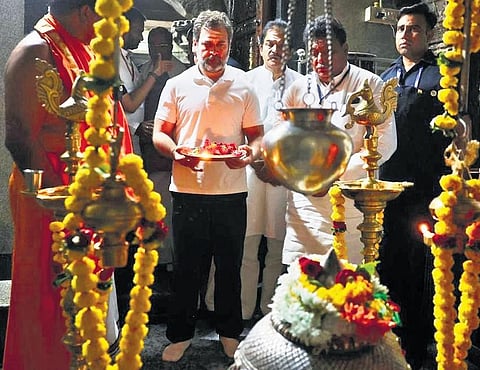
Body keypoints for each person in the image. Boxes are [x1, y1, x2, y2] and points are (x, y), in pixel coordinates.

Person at [3, 0, 133, 369]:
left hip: (91, 196)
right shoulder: (35, 51)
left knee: (93, 294)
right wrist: (66, 200)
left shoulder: (84, 46)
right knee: (53, 294)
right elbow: (19, 138)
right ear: (86, 12)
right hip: (52, 199)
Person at [152, 10, 263, 362]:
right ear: (194, 45)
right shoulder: (176, 84)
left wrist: (247, 154)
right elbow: (160, 135)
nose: (214, 51)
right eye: (207, 44)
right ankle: (180, 334)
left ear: (229, 46)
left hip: (231, 191)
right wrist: (177, 153)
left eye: (221, 44)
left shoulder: (244, 84)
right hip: (187, 190)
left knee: (229, 268)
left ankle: (229, 333)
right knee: (187, 268)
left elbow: (256, 138)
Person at [281, 16, 397, 266]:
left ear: (345, 49)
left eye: (328, 52)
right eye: (314, 53)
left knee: (347, 284)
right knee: (300, 284)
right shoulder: (298, 88)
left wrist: (333, 175)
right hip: (305, 205)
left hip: (349, 204)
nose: (320, 60)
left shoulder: (368, 84)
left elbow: (385, 142)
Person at [378, 3, 451, 369]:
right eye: (402, 29)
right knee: (386, 264)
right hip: (387, 189)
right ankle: (385, 340)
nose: (406, 35)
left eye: (415, 29)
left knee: (419, 268)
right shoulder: (385, 79)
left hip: (424, 191)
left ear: (429, 35)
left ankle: (416, 346)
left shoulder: (441, 79)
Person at [240, 19, 302, 321]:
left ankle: (269, 313)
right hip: (251, 171)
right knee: (248, 242)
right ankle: (241, 310)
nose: (276, 50)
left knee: (278, 244)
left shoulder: (301, 84)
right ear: (260, 46)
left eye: (282, 44)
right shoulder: (246, 81)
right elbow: (238, 129)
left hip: (284, 175)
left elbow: (303, 134)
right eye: (270, 44)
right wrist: (256, 161)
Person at [119, 8, 166, 154]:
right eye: (138, 31)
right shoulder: (110, 61)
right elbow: (130, 105)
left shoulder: (128, 60)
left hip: (134, 140)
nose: (141, 38)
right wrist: (155, 74)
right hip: (120, 140)